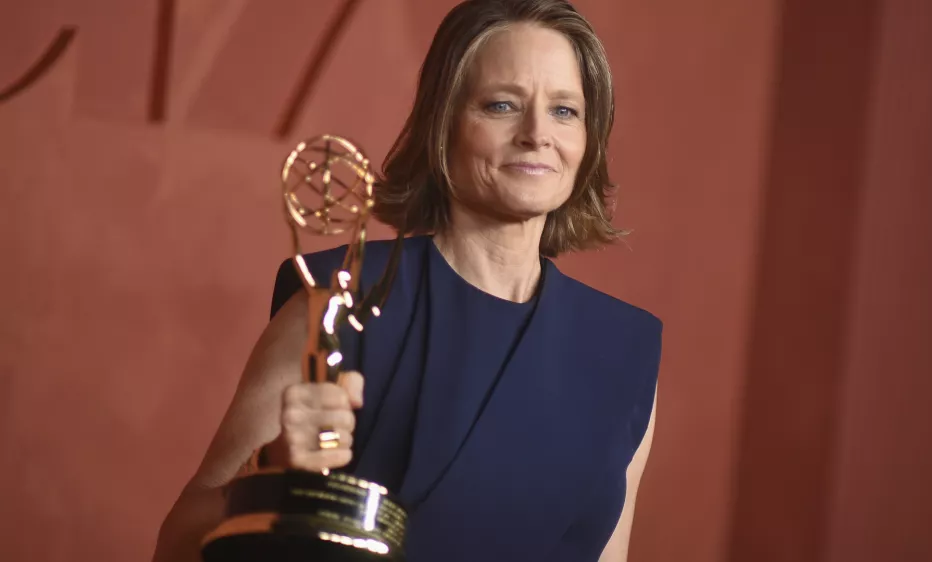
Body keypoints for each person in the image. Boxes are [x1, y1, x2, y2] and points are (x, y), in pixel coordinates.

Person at [153, 1, 661, 561]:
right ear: (444, 123)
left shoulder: (625, 353)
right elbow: (177, 544)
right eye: (501, 104)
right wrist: (273, 469)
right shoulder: (337, 301)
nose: (537, 133)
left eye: (565, 111)